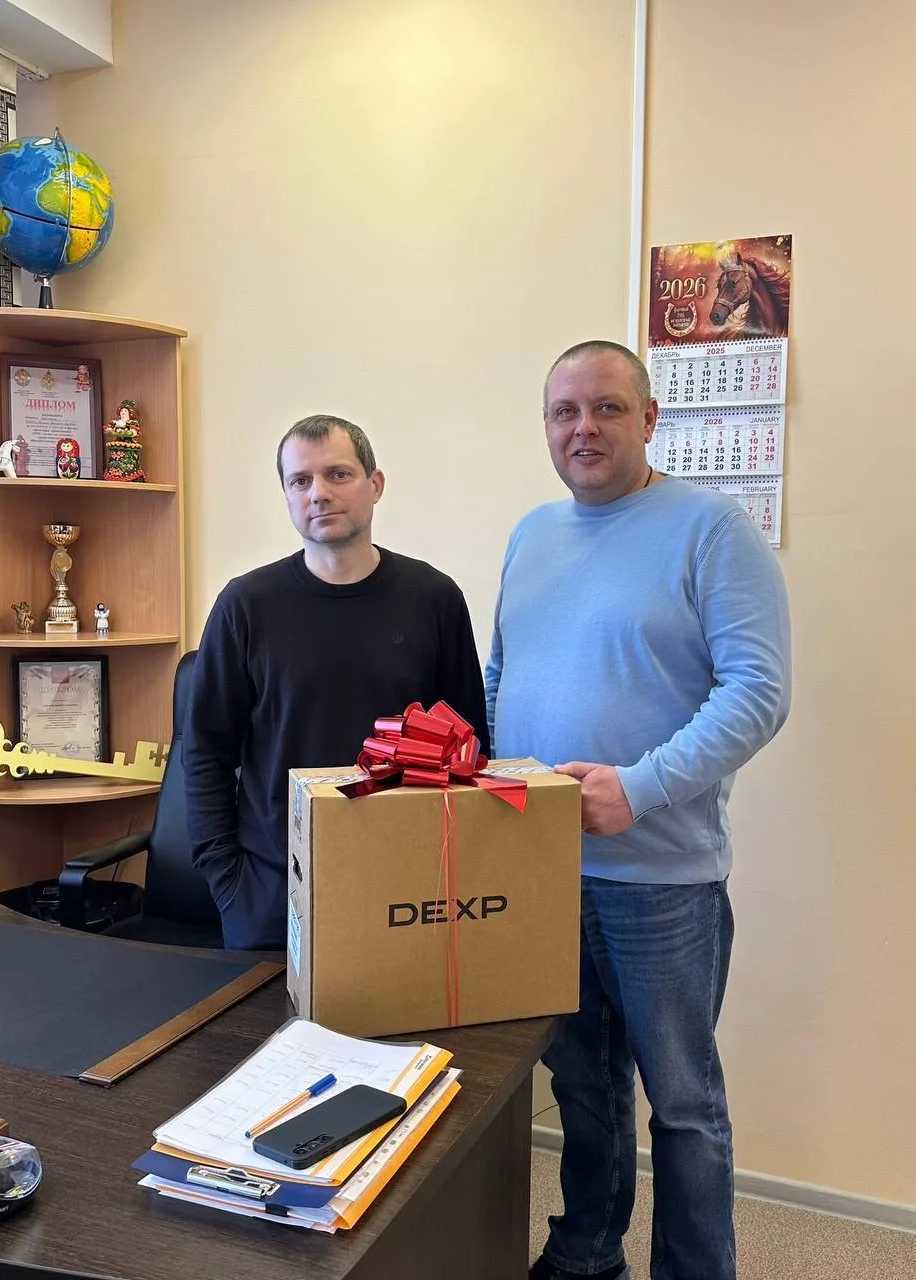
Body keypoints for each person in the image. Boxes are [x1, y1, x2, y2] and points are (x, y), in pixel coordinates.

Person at [486, 341, 792, 1280]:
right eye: (564, 412)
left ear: (650, 419)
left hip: (663, 883)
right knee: (582, 1086)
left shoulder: (712, 529)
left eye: (607, 408)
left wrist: (640, 785)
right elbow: (501, 674)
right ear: (546, 427)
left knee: (684, 1106)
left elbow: (759, 691)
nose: (584, 428)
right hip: (545, 873)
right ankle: (586, 1256)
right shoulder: (531, 534)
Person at [184, 414, 489, 950]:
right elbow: (205, 750)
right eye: (300, 481)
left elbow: (469, 746)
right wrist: (226, 879)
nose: (319, 493)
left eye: (338, 474)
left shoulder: (434, 599)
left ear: (375, 484)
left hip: (406, 887)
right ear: (286, 495)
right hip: (271, 891)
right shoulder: (245, 606)